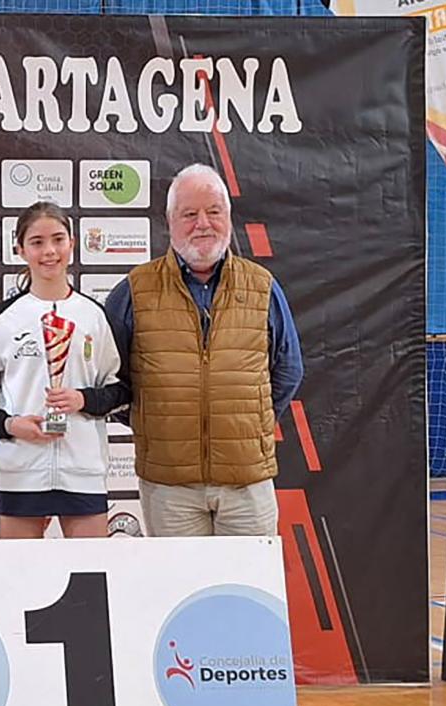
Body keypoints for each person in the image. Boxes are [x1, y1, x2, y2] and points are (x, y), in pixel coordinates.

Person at [104, 163, 304, 537]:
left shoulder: (262, 286)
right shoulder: (135, 289)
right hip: (169, 488)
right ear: (170, 220)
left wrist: (253, 424)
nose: (203, 224)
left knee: (248, 592)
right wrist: (151, 424)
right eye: (190, 214)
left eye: (214, 212)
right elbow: (108, 377)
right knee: (179, 593)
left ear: (228, 217)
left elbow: (288, 369)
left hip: (247, 483)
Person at [0, 201, 128, 539]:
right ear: (20, 249)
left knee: (89, 580)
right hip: (21, 470)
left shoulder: (94, 317)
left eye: (58, 239)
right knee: (17, 584)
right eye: (37, 242)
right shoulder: (5, 318)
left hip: (82, 470)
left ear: (72, 244)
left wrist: (83, 400)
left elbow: (122, 389)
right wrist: (10, 425)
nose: (49, 251)